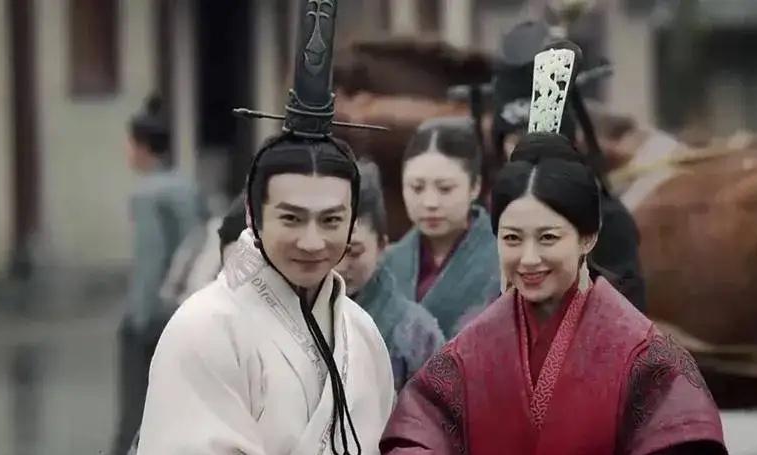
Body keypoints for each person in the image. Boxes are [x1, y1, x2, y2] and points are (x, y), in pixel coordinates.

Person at [136, 1, 395, 453]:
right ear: (253, 217)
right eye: (291, 218)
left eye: (331, 220)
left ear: (353, 221)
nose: (312, 241)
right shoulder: (205, 328)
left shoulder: (362, 333)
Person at [380, 133, 726, 455]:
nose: (529, 258)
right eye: (512, 239)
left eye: (548, 238)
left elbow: (682, 438)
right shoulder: (467, 354)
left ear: (587, 238)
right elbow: (420, 431)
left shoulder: (645, 354)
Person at [489, 21, 647, 312]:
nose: (525, 153)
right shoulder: (486, 214)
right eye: (515, 140)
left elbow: (628, 321)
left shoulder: (607, 219)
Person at [112, 94, 206, 455]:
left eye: (129, 144)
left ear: (141, 147)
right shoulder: (187, 186)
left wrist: (137, 317)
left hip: (153, 314)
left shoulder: (147, 195)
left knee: (136, 409)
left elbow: (150, 259)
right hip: (187, 306)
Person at [382, 117, 500, 337]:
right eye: (417, 188)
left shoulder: (504, 258)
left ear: (475, 186)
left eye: (445, 189)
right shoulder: (386, 263)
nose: (430, 203)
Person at [336, 159, 446, 390]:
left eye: (353, 252)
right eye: (332, 251)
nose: (340, 265)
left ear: (381, 246)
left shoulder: (417, 333)